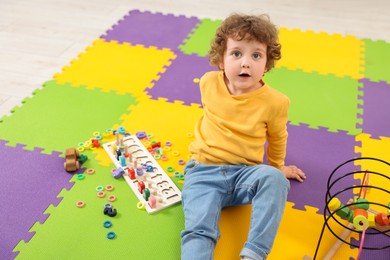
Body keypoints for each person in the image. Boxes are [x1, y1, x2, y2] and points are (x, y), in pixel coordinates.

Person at [180, 13, 306, 260]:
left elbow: (278, 137)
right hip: (203, 173)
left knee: (275, 178)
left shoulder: (276, 102)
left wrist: (278, 166)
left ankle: (254, 253)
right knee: (198, 231)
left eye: (256, 55)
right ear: (221, 60)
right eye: (236, 53)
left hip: (244, 175)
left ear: (267, 63)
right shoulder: (207, 83)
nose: (245, 63)